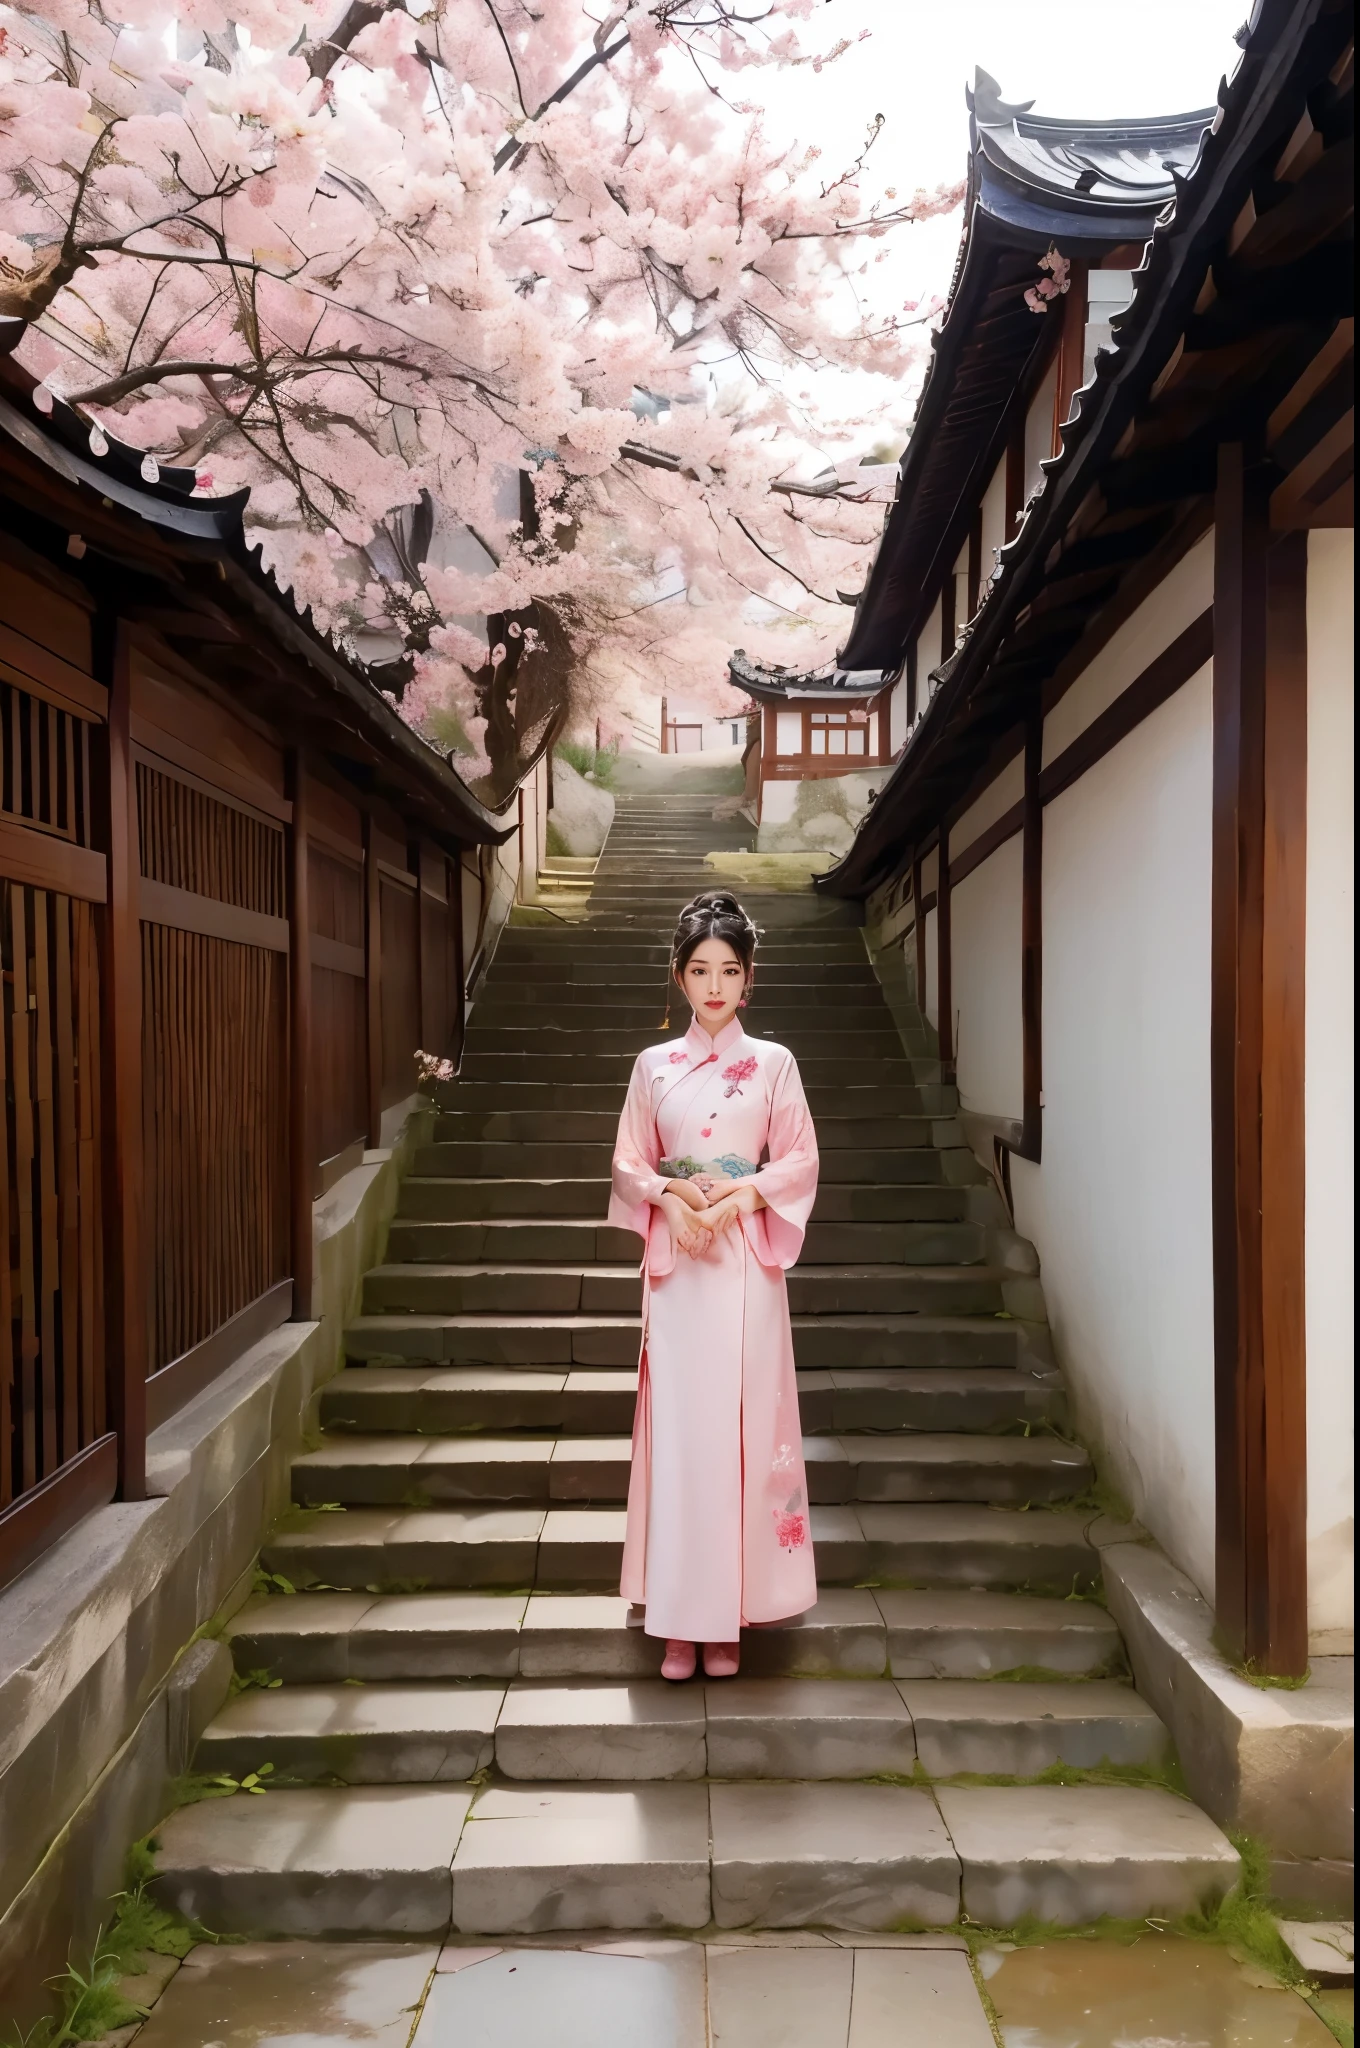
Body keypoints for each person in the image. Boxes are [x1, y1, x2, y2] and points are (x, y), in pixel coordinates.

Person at [608, 890, 820, 1681]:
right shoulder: (651, 1066)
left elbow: (799, 1159)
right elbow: (629, 1162)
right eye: (700, 970)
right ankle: (678, 1619)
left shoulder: (773, 1064)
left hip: (742, 1267)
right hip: (678, 1265)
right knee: (682, 1440)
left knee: (739, 1436)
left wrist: (737, 1197)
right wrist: (670, 1196)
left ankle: (730, 1618)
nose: (714, 986)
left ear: (748, 978)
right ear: (678, 975)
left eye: (729, 970)